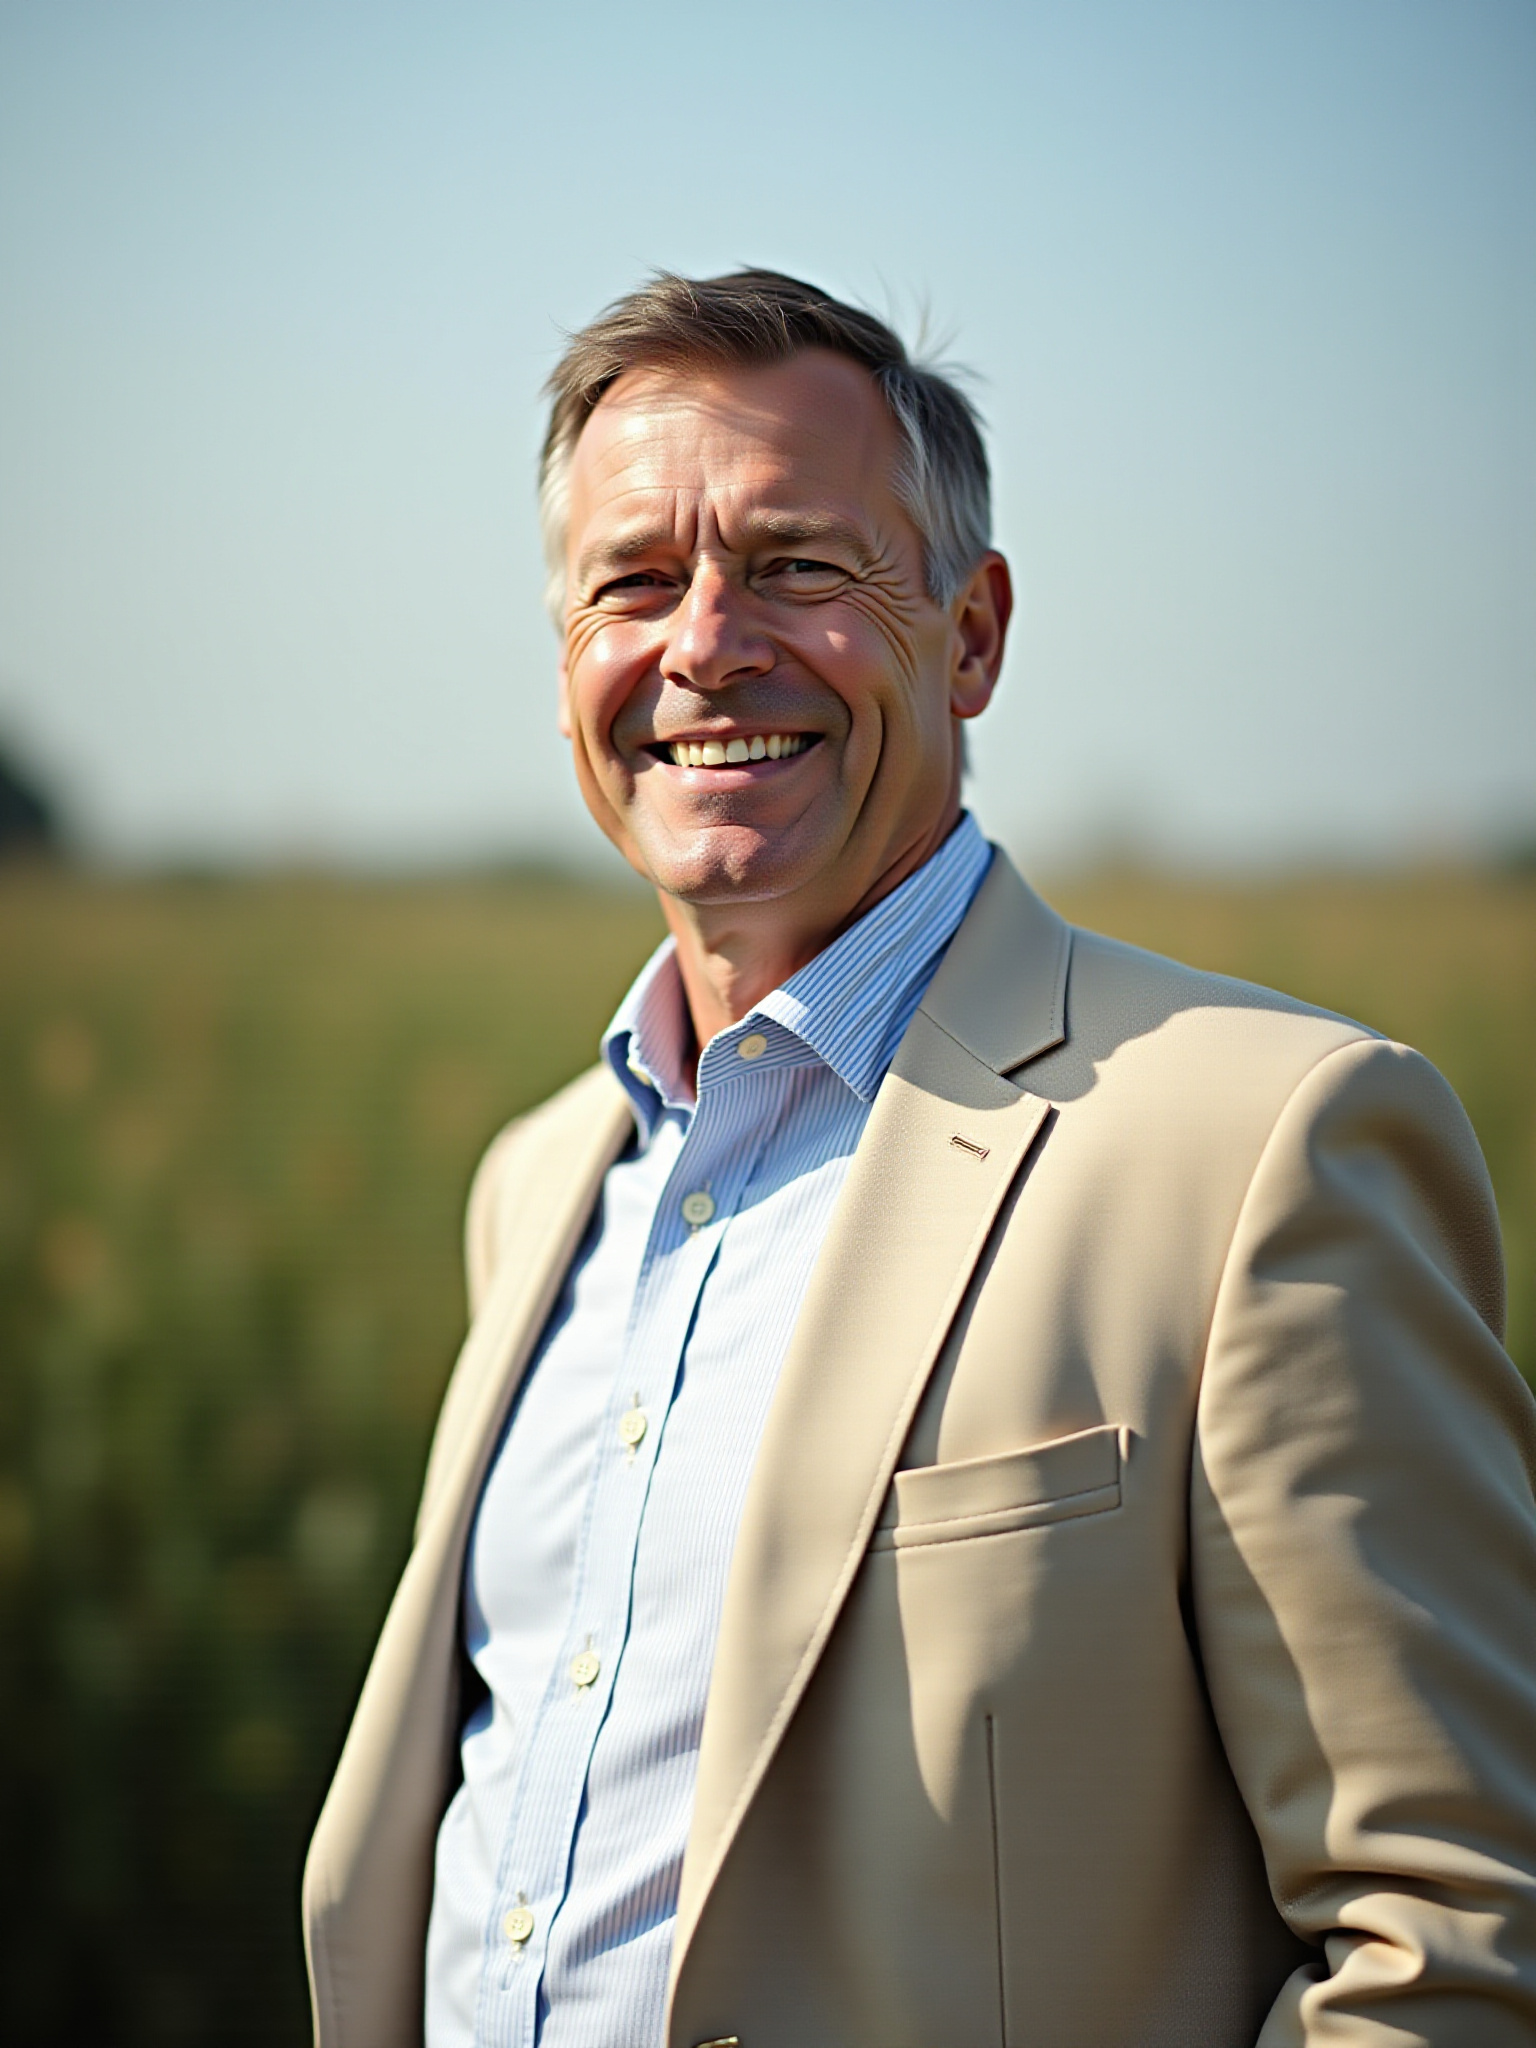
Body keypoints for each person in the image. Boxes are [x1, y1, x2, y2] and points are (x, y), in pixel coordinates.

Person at [303, 269, 1536, 2048]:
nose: (707, 644)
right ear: (566, 659)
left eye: (799, 564)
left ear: (971, 633)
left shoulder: (1268, 1146)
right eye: (634, 582)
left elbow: (1453, 1942)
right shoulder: (541, 1182)